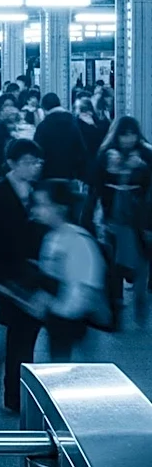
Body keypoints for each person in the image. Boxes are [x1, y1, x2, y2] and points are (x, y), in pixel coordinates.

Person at [0, 139, 45, 412]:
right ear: (12, 164)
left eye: (37, 162)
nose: (34, 168)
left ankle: (7, 382)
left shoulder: (39, 192)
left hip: (34, 276)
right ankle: (14, 396)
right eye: (28, 162)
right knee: (19, 337)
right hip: (7, 277)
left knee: (22, 336)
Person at [31, 179, 105, 360]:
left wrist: (60, 310)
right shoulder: (52, 236)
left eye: (43, 204)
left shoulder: (77, 240)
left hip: (72, 322)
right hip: (58, 319)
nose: (37, 210)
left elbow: (85, 285)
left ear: (60, 207)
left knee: (71, 370)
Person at [94, 116, 152, 326]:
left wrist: (142, 169)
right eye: (123, 134)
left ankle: (140, 297)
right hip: (113, 218)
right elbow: (97, 187)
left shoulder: (146, 154)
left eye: (132, 134)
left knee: (141, 260)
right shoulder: (105, 156)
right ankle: (116, 306)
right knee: (113, 264)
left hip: (139, 219)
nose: (128, 139)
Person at [34, 93, 87, 181]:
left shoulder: (43, 126)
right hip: (70, 175)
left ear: (44, 108)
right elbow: (81, 149)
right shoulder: (74, 122)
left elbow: (37, 150)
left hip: (48, 176)